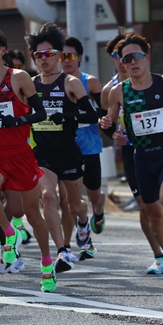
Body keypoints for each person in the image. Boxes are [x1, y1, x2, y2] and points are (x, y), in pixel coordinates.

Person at [0, 28, 56, 291]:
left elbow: (40, 113)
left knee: (33, 216)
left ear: (2, 50)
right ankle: (9, 233)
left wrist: (18, 120)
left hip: (19, 153)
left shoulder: (19, 78)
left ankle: (47, 265)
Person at [101, 34, 163, 284]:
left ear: (147, 58)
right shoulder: (118, 91)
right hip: (140, 157)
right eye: (127, 59)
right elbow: (109, 122)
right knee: (153, 215)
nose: (132, 62)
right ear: (122, 63)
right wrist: (112, 132)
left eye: (137, 56)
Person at [26, 24, 100, 272]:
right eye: (38, 55)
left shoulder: (71, 83)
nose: (43, 59)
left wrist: (67, 118)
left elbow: (92, 115)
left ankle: (83, 222)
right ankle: (62, 251)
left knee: (74, 205)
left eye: (48, 54)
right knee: (47, 196)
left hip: (69, 151)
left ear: (57, 55)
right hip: (43, 153)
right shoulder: (30, 85)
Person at [61, 37, 107, 234]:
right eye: (62, 56)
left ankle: (98, 207)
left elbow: (104, 113)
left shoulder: (90, 82)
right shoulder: (53, 84)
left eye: (70, 56)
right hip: (63, 147)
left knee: (93, 194)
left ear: (79, 58)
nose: (66, 60)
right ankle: (78, 232)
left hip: (89, 146)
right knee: (68, 197)